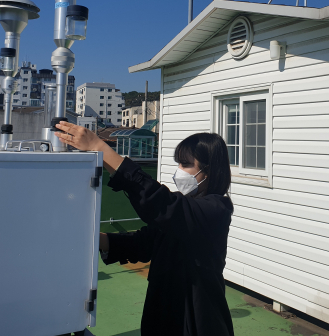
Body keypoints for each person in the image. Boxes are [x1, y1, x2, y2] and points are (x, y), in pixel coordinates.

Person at [55, 121, 235, 336]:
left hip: (196, 322)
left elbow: (161, 204)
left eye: (186, 164)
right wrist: (90, 237)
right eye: (178, 163)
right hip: (162, 316)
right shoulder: (186, 212)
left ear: (209, 171)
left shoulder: (216, 210)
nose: (179, 171)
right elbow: (141, 243)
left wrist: (101, 148)